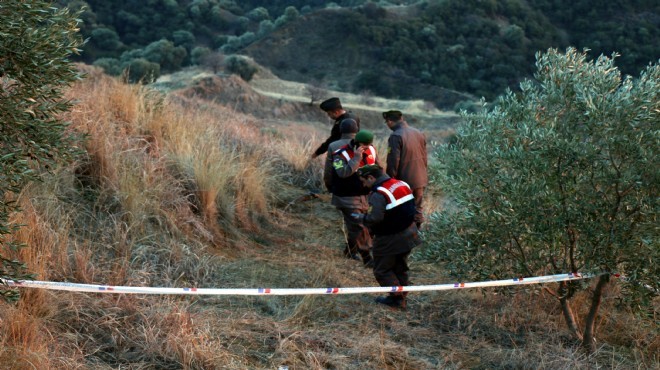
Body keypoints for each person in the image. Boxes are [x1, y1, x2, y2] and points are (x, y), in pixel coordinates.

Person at [354, 164, 422, 310]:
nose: (364, 185)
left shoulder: (379, 193)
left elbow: (375, 218)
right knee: (400, 267)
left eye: (364, 181)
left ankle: (396, 299)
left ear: (371, 177)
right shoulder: (400, 183)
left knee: (382, 270)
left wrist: (361, 217)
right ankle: (402, 296)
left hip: (390, 239)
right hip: (409, 234)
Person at [323, 121, 377, 267]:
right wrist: (356, 158)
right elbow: (342, 172)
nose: (366, 147)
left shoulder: (371, 149)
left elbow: (376, 170)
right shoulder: (338, 152)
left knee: (361, 224)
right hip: (346, 196)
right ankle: (367, 258)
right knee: (358, 225)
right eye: (364, 144)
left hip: (364, 195)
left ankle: (349, 250)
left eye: (368, 144)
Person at [383, 110, 428, 229]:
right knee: (417, 207)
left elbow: (393, 161)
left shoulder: (396, 136)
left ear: (390, 121)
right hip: (420, 177)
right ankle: (417, 233)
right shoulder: (418, 132)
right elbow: (425, 156)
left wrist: (390, 180)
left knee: (403, 208)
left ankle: (405, 235)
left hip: (404, 180)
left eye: (386, 122)